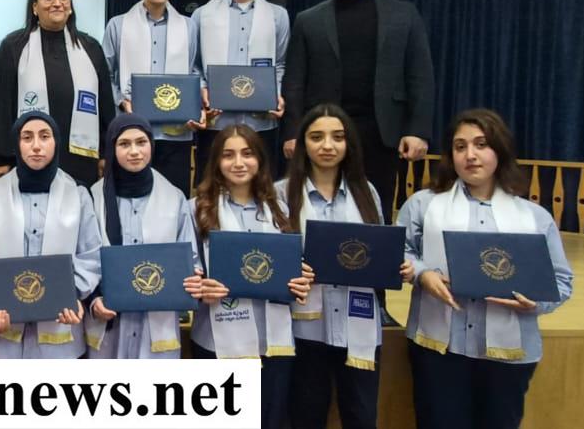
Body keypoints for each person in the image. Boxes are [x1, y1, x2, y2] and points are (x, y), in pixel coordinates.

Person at [399, 109, 572, 429]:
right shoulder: (423, 205)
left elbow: (561, 280)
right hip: (439, 348)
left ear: (500, 150)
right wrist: (423, 274)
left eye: (481, 144)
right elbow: (402, 250)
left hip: (508, 354)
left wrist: (535, 303)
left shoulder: (534, 217)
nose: (470, 155)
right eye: (460, 146)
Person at [281, 0, 434, 221]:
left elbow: (419, 76)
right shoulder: (308, 20)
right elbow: (294, 81)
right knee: (315, 208)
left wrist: (417, 130)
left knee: (375, 210)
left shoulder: (403, 15)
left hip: (382, 133)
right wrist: (292, 132)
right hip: (323, 133)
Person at [276, 104, 408, 429]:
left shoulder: (367, 191)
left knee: (361, 417)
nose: (328, 145)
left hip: (358, 323)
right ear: (302, 144)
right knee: (305, 416)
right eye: (316, 137)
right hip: (304, 328)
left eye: (337, 137)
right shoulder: (280, 193)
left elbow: (376, 251)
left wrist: (395, 265)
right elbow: (273, 259)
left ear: (349, 143)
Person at [185, 124, 312, 429]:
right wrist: (199, 286)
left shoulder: (281, 208)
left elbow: (294, 263)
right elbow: (188, 270)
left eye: (247, 154)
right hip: (215, 340)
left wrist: (302, 278)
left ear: (260, 160)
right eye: (228, 155)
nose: (239, 163)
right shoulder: (195, 209)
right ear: (216, 162)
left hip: (274, 342)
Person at [0, 111, 102, 358]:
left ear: (56, 142)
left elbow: (90, 254)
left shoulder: (77, 194)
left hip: (61, 330)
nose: (37, 146)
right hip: (6, 330)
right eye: (27, 137)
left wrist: (71, 293)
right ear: (17, 144)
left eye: (44, 136)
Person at [84, 114, 199, 359]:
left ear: (151, 145)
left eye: (141, 142)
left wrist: (193, 275)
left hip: (156, 324)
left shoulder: (174, 197)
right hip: (109, 322)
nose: (134, 151)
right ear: (112, 148)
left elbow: (190, 257)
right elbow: (84, 257)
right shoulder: (93, 197)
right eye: (124, 144)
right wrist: (93, 301)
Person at [0, 0, 115, 187]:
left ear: (70, 6)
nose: (57, 3)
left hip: (80, 159)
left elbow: (105, 106)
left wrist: (105, 153)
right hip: (28, 157)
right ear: (34, 7)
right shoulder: (13, 46)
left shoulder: (91, 47)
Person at [102, 0, 207, 194]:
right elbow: (105, 75)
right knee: (128, 197)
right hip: (131, 130)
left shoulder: (189, 26)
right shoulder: (118, 25)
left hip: (176, 133)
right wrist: (122, 101)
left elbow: (194, 71)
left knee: (174, 196)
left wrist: (197, 106)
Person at [191, 0, 289, 184]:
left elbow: (280, 63)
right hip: (216, 121)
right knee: (211, 187)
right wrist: (202, 88)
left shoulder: (277, 16)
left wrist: (275, 92)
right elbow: (193, 64)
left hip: (260, 122)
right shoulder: (202, 15)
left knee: (262, 188)